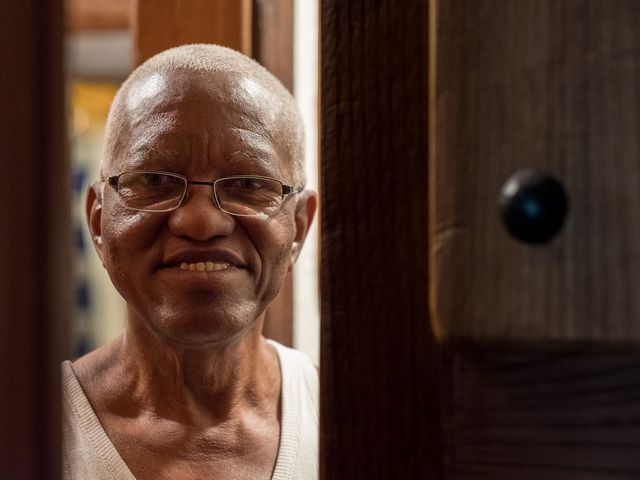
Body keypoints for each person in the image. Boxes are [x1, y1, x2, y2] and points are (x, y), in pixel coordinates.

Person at [62, 44, 318, 480]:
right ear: (100, 221)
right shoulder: (29, 431)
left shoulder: (353, 426)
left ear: (298, 226)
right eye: (156, 180)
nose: (201, 222)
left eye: (247, 183)